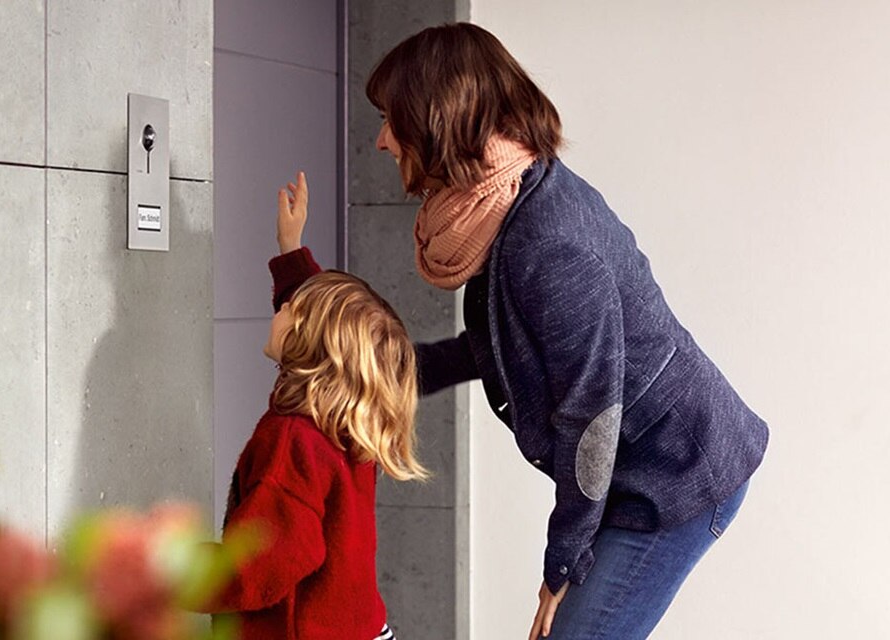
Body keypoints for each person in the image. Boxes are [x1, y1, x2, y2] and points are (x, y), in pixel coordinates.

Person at [275, 22, 769, 639]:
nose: (380, 141)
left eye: (391, 118)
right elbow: (491, 352)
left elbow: (593, 414)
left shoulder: (546, 241)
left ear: (437, 117)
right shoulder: (502, 207)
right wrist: (360, 368)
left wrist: (560, 563)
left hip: (679, 476)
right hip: (627, 467)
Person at [200, 183, 425, 640]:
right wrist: (291, 247)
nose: (281, 306)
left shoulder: (292, 441)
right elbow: (330, 324)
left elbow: (260, 564)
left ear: (309, 346)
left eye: (290, 307)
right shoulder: (347, 427)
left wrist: (159, 572)